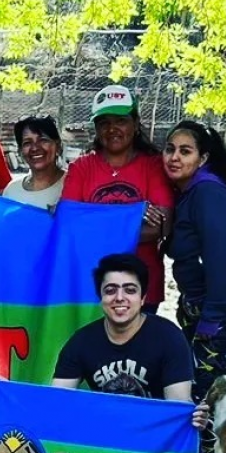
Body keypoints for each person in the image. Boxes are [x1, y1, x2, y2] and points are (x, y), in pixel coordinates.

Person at [51, 253, 217, 453]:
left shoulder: (169, 338)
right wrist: (2, 391)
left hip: (154, 446)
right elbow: (57, 401)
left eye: (130, 290)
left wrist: (191, 418)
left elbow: (178, 403)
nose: (120, 298)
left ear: (143, 298)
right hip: (104, 442)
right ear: (100, 298)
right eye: (110, 290)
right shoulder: (81, 342)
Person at [162, 120, 226, 402]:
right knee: (189, 381)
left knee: (200, 389)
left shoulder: (209, 193)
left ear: (203, 158)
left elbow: (220, 262)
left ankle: (212, 447)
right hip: (207, 302)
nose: (174, 157)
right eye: (170, 149)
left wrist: (211, 320)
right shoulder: (187, 192)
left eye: (185, 151)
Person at [60, 85, 174, 313]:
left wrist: (93, 222)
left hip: (143, 286)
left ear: (135, 123)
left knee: (140, 348)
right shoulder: (82, 167)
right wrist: (132, 221)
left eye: (120, 121)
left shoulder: (153, 166)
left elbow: (162, 226)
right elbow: (69, 225)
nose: (112, 129)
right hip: (93, 285)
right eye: (104, 122)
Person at [3, 115, 67, 209]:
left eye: (43, 140)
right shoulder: (12, 191)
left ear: (58, 146)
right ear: (20, 151)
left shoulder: (72, 185)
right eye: (27, 143)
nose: (35, 148)